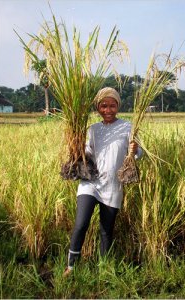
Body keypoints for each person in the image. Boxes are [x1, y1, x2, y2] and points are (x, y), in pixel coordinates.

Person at [63, 87, 143, 276]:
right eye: (103, 106)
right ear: (98, 107)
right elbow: (87, 153)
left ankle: (103, 268)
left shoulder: (128, 127)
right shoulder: (93, 129)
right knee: (81, 224)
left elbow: (139, 155)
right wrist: (76, 149)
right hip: (91, 183)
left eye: (112, 106)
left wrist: (135, 149)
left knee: (106, 230)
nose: (108, 110)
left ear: (118, 106)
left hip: (113, 186)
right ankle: (71, 267)